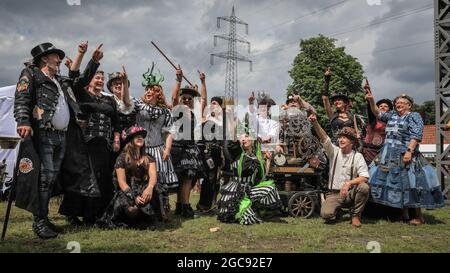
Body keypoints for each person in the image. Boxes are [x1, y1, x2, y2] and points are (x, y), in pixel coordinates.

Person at [13, 42, 101, 238]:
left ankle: (44, 219)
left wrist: (93, 61)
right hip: (43, 132)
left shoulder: (61, 80)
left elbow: (81, 79)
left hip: (62, 135)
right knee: (45, 178)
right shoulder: (31, 74)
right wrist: (23, 120)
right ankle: (39, 222)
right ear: (45, 58)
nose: (59, 60)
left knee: (51, 179)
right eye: (55, 56)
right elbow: (22, 97)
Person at [366, 92, 445, 225]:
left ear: (409, 105)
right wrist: (371, 100)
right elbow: (377, 112)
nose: (398, 105)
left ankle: (418, 216)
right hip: (388, 155)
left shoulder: (413, 116)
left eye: (402, 103)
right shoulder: (392, 116)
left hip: (405, 154)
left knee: (412, 183)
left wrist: (409, 151)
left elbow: (416, 134)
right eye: (397, 103)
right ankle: (403, 214)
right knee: (396, 184)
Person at [70, 50, 120, 223]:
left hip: (105, 144)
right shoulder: (83, 94)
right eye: (97, 78)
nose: (100, 80)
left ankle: (100, 213)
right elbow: (76, 83)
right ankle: (82, 214)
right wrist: (93, 61)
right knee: (87, 178)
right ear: (90, 80)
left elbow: (116, 121)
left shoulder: (110, 100)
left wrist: (116, 138)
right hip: (87, 143)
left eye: (102, 78)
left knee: (103, 178)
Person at [309, 113, 370, 227]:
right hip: (334, 193)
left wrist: (349, 183)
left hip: (350, 193)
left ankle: (356, 215)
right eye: (340, 137)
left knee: (364, 187)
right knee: (326, 215)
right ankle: (339, 211)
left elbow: (365, 177)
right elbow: (324, 137)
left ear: (352, 142)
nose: (341, 140)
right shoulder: (334, 152)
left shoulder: (357, 156)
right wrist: (315, 122)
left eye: (344, 138)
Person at [134, 63, 178, 220]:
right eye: (146, 90)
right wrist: (125, 83)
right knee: (141, 180)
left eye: (151, 91)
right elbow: (125, 101)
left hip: (158, 150)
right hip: (141, 149)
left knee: (161, 183)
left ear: (157, 93)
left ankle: (164, 211)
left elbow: (169, 132)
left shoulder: (165, 111)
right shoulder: (138, 105)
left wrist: (167, 149)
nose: (147, 92)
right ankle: (143, 210)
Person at [96, 126, 161, 229]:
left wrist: (149, 188)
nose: (140, 138)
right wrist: (134, 197)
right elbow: (121, 182)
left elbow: (153, 176)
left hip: (145, 190)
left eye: (142, 136)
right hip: (127, 191)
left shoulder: (149, 158)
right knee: (131, 210)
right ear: (130, 140)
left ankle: (145, 217)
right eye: (136, 136)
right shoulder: (122, 158)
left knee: (147, 200)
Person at [217, 133, 281, 225]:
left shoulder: (256, 158)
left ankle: (257, 208)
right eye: (241, 138)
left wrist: (268, 160)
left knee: (270, 189)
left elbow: (262, 177)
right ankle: (245, 210)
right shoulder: (237, 153)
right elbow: (231, 142)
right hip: (237, 191)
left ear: (252, 140)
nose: (243, 139)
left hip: (250, 189)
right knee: (248, 219)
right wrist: (233, 122)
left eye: (246, 137)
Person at [170, 65, 205, 218]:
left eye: (189, 99)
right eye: (183, 98)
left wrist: (203, 83)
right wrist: (178, 80)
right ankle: (182, 206)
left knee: (189, 178)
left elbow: (203, 100)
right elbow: (173, 98)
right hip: (177, 147)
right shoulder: (176, 109)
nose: (186, 100)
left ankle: (183, 206)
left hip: (190, 148)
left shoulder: (193, 112)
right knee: (180, 178)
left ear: (192, 101)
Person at [321, 68, 365, 144]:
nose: (336, 101)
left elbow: (358, 133)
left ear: (345, 103)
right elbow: (325, 98)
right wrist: (327, 79)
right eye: (335, 100)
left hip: (351, 146)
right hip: (336, 146)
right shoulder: (332, 115)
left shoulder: (353, 117)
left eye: (339, 99)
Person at [196, 94, 224, 212]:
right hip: (207, 151)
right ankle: (203, 204)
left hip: (218, 152)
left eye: (215, 103)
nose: (212, 105)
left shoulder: (223, 121)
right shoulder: (206, 118)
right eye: (211, 103)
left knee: (215, 178)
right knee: (208, 177)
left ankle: (211, 203)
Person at [361, 80, 393, 165]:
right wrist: (369, 96)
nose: (382, 107)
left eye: (385, 106)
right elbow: (370, 110)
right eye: (380, 106)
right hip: (368, 152)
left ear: (389, 109)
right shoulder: (373, 119)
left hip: (383, 152)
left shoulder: (392, 120)